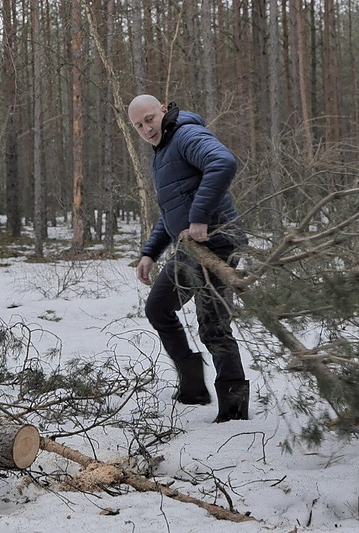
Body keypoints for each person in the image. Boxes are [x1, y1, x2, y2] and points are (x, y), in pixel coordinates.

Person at [128, 94, 249, 422]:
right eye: (138, 125)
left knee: (213, 325)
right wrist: (150, 253)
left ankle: (234, 411)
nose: (146, 129)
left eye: (150, 119)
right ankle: (193, 387)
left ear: (163, 111)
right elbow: (172, 211)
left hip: (217, 242)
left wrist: (199, 217)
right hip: (191, 247)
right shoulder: (161, 152)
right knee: (158, 307)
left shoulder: (185, 135)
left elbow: (223, 162)